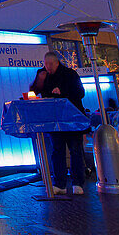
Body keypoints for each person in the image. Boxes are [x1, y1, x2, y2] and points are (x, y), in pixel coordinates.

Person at [42, 50, 86, 195]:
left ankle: (75, 182)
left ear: (56, 62)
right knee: (59, 151)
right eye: (46, 64)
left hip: (70, 120)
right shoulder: (47, 78)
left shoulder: (70, 75)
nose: (47, 67)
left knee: (74, 150)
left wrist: (62, 92)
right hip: (58, 120)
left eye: (49, 64)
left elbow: (80, 92)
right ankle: (62, 183)